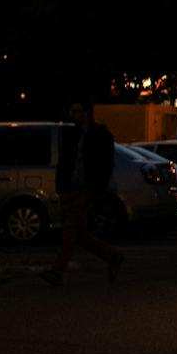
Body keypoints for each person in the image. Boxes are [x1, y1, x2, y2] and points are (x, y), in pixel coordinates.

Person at [39, 100, 123, 287]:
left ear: (87, 112)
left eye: (77, 111)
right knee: (78, 233)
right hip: (71, 188)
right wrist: (61, 189)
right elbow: (64, 163)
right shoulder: (72, 134)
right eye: (72, 111)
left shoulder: (99, 135)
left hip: (87, 189)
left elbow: (106, 163)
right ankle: (112, 256)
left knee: (70, 229)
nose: (73, 115)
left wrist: (98, 186)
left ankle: (57, 271)